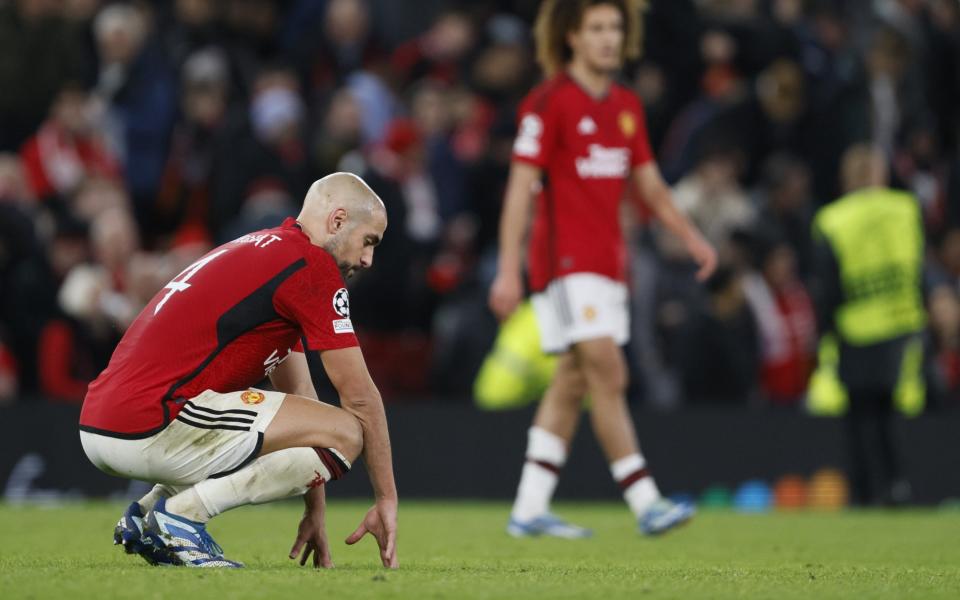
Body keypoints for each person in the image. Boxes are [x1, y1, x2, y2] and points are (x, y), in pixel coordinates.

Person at [78, 172, 398, 568]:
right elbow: (360, 397)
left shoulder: (268, 253)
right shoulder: (311, 266)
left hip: (104, 421)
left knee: (318, 426)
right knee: (350, 431)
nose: (367, 259)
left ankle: (148, 514)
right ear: (336, 221)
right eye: (369, 241)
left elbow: (303, 407)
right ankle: (182, 517)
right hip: (148, 419)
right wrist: (386, 498)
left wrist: (314, 509)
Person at [488, 0, 717, 538]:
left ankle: (528, 508)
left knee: (571, 381)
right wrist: (506, 269)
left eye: (615, 27)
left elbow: (650, 184)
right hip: (563, 264)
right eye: (597, 28)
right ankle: (646, 501)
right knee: (610, 372)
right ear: (572, 37)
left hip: (607, 265)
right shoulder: (548, 103)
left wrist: (691, 236)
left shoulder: (625, 105)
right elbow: (520, 190)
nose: (609, 38)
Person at [810, 144, 927, 505]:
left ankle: (864, 493)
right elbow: (920, 264)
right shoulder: (905, 209)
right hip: (901, 325)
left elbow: (826, 284)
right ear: (879, 174)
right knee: (894, 413)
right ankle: (899, 487)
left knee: (860, 418)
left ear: (847, 178)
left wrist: (824, 329)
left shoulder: (832, 219)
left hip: (855, 329)